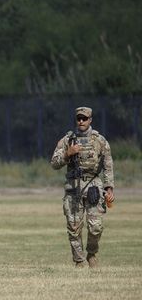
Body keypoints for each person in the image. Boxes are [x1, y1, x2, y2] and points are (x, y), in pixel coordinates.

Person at [51, 106, 115, 268]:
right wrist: (67, 154)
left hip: (93, 185)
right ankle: (79, 260)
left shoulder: (99, 141)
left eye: (84, 118)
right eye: (79, 118)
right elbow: (54, 163)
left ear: (90, 120)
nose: (81, 121)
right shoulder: (67, 140)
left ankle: (91, 254)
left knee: (95, 227)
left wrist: (109, 188)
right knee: (74, 228)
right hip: (73, 187)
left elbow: (108, 165)